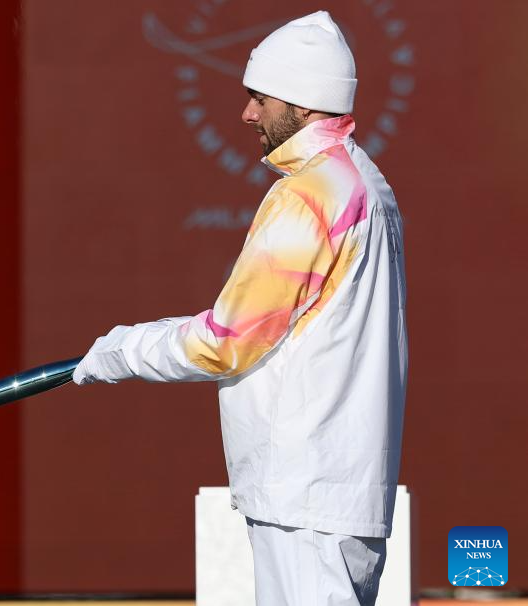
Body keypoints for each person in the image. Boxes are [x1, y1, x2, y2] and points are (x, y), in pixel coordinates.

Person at [72, 11, 407, 606]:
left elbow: (227, 341)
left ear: (303, 104)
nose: (247, 114)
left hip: (304, 495)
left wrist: (120, 351)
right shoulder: (367, 183)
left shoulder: (310, 193)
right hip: (339, 493)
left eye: (261, 99)